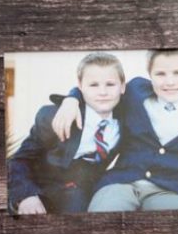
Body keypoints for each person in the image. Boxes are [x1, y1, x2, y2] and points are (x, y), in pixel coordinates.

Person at [52, 49, 178, 213]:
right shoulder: (135, 91)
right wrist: (72, 99)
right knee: (102, 222)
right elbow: (99, 91)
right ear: (150, 74)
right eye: (160, 74)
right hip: (119, 184)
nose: (169, 82)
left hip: (173, 191)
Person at [8, 52, 125, 215]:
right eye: (93, 85)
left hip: (90, 190)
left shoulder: (128, 116)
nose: (103, 92)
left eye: (110, 84)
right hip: (46, 192)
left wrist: (73, 97)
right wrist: (27, 195)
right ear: (80, 86)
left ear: (122, 86)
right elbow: (20, 160)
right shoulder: (55, 117)